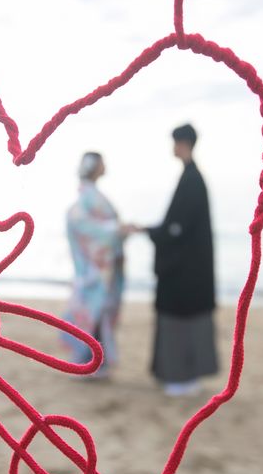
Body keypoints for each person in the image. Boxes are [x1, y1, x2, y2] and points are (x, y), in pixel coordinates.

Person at [142, 124, 218, 396]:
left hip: (186, 272)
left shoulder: (192, 180)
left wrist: (152, 232)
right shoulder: (191, 177)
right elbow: (174, 225)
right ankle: (183, 376)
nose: (173, 148)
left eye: (175, 142)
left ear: (183, 144)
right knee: (187, 318)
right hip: (191, 269)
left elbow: (177, 228)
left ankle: (181, 377)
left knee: (181, 318)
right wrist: (152, 230)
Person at [61, 151, 134, 379]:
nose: (105, 166)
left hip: (97, 266)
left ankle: (94, 363)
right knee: (95, 313)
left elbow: (91, 226)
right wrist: (115, 230)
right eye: (102, 163)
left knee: (96, 314)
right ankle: (91, 363)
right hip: (96, 268)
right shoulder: (88, 197)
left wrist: (115, 230)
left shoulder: (89, 195)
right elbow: (86, 226)